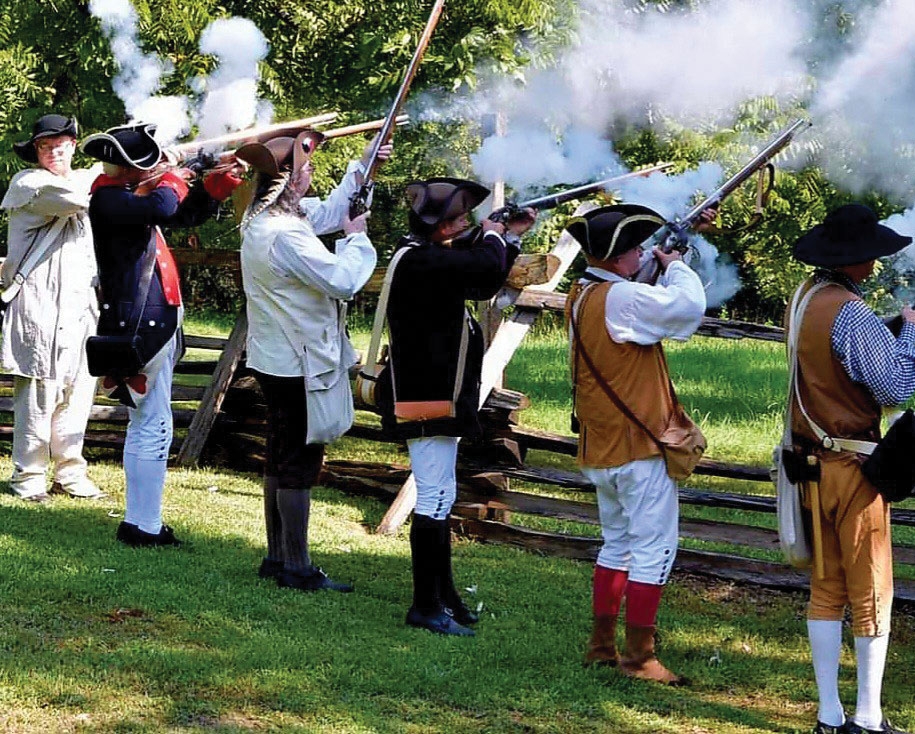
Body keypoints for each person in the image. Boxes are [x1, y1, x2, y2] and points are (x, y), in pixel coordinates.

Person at [786, 204, 915, 734]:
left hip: (810, 465)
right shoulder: (849, 310)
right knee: (871, 592)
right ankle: (867, 719)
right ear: (858, 257)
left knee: (827, 587)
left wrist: (914, 320)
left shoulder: (805, 300)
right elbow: (893, 388)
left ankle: (829, 716)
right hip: (854, 467)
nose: (875, 263)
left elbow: (841, 358)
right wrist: (912, 331)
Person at [236, 130, 392, 591]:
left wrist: (364, 165)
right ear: (287, 180)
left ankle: (277, 557)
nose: (310, 177)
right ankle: (298, 567)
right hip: (298, 361)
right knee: (299, 463)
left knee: (280, 457)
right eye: (304, 171)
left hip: (277, 356)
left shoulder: (263, 217)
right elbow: (343, 281)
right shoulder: (284, 234)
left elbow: (324, 212)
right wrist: (357, 239)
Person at [383, 178, 536, 635]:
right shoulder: (422, 260)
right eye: (460, 219)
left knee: (442, 494)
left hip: (437, 391)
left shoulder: (426, 255)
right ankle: (425, 605)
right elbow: (485, 273)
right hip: (426, 395)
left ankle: (442, 593)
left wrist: (506, 235)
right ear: (441, 225)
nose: (467, 224)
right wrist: (495, 234)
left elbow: (479, 265)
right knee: (432, 497)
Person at [565, 203, 708, 685]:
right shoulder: (621, 297)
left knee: (616, 546)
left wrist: (669, 255)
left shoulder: (584, 293)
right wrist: (677, 266)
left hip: (603, 445)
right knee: (653, 549)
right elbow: (688, 310)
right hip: (638, 448)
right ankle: (640, 658)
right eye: (637, 249)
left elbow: (636, 305)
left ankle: (602, 645)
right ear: (621, 256)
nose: (644, 253)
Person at [80, 122, 241, 547]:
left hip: (148, 322)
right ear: (134, 169)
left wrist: (217, 185)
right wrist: (173, 173)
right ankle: (144, 525)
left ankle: (141, 520)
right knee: (154, 424)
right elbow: (166, 207)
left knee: (148, 422)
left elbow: (184, 212)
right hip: (140, 326)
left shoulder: (129, 197)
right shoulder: (107, 199)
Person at [1, 113, 104, 503]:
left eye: (61, 143)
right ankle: (28, 478)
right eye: (46, 145)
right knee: (40, 395)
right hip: (40, 306)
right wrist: (114, 173)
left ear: (73, 145)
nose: (54, 150)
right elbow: (78, 198)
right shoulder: (30, 183)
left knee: (78, 393)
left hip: (81, 306)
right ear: (37, 151)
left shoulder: (80, 177)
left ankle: (71, 474)